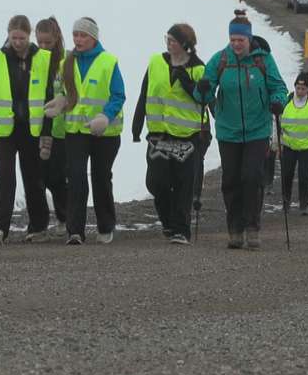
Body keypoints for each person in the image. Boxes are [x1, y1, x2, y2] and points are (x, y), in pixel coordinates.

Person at [194, 14, 287, 250]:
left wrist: (277, 101)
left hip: (257, 130)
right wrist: (202, 89)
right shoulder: (220, 60)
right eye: (233, 39)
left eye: (240, 40)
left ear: (249, 38)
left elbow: (278, 87)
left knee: (253, 177)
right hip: (228, 131)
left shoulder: (263, 60)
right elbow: (203, 95)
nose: (236, 44)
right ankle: (234, 229)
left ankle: (252, 227)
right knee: (231, 180)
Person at [44, 17, 126, 245]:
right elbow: (63, 90)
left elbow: (118, 95)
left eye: (83, 35)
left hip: (104, 133)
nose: (78, 40)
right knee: (77, 178)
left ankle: (105, 226)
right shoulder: (66, 62)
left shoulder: (108, 62)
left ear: (94, 38)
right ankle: (75, 231)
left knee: (101, 177)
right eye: (75, 35)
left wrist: (105, 117)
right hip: (76, 130)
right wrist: (60, 102)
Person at [0, 15, 56, 243]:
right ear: (8, 35)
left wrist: (47, 132)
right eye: (14, 37)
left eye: (21, 37)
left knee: (33, 177)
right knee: (5, 176)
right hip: (5, 129)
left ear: (29, 35)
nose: (17, 42)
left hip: (32, 129)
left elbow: (49, 98)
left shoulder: (42, 59)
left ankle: (38, 226)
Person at [132, 23, 205, 245]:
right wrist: (137, 125)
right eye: (168, 39)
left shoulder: (199, 69)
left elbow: (205, 100)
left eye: (173, 40)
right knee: (156, 182)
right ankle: (168, 221)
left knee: (184, 185)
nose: (169, 43)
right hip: (158, 134)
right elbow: (145, 92)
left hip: (186, 136)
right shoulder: (156, 62)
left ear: (185, 44)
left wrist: (189, 83)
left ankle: (181, 230)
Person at [278, 72, 308, 216]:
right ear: (294, 87)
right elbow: (277, 122)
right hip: (288, 145)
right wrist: (276, 143)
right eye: (298, 87)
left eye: (303, 88)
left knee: (304, 175)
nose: (300, 91)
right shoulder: (286, 101)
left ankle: (303, 203)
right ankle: (286, 202)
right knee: (286, 174)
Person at [35, 17, 68, 233]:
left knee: (58, 176)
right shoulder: (35, 61)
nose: (44, 47)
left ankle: (65, 218)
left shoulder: (66, 62)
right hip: (38, 126)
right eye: (40, 43)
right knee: (42, 176)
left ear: (57, 39)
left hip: (61, 129)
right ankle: (45, 220)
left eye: (48, 42)